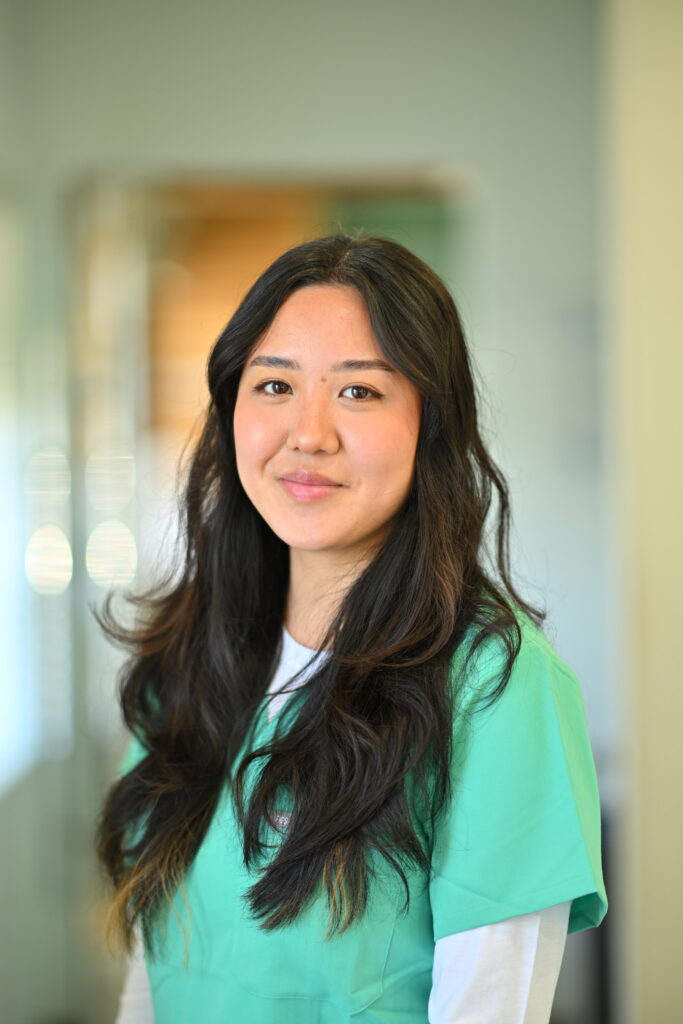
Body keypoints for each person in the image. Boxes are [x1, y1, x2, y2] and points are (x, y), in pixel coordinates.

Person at [96, 234, 607, 1024]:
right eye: (273, 385)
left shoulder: (495, 684)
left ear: (430, 424)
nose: (308, 434)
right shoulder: (191, 657)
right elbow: (150, 970)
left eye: (360, 393)